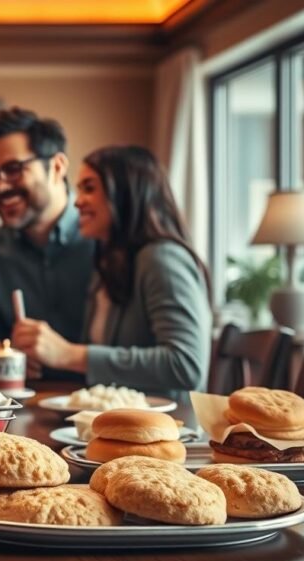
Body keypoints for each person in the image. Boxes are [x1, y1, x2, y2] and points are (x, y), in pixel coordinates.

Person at [12, 145, 211, 393]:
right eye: (79, 189)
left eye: (89, 188)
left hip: (167, 417)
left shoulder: (162, 258)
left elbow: (186, 365)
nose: (78, 202)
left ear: (126, 193)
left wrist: (70, 354)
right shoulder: (108, 264)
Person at [0, 107, 94, 380]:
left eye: (13, 169)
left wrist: (68, 354)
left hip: (104, 402)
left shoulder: (103, 239)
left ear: (57, 166)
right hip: (23, 403)